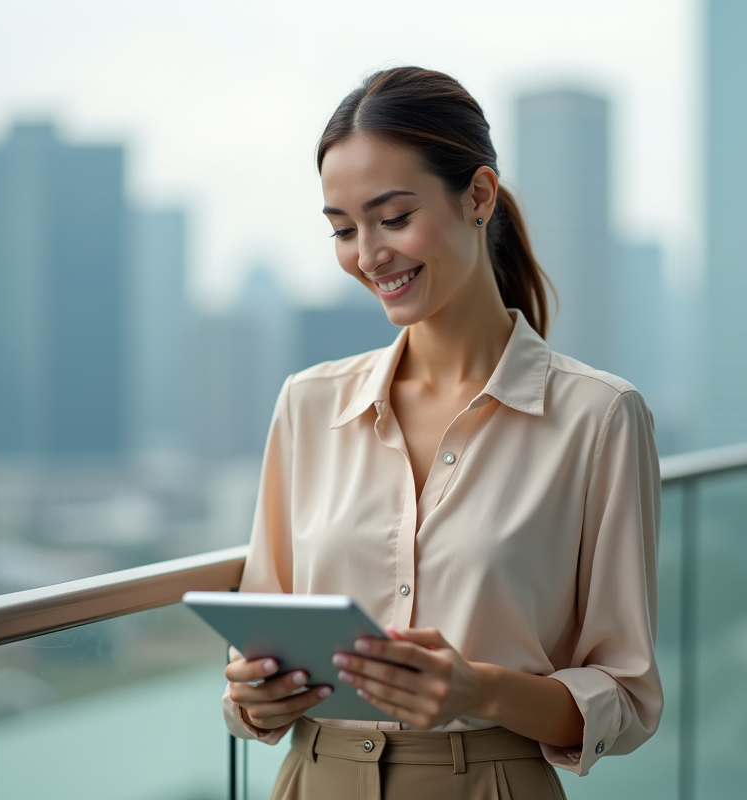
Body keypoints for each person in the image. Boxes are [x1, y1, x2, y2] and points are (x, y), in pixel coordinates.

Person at [222, 66, 662, 800]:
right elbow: (259, 654)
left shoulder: (599, 419)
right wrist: (253, 697)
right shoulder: (308, 406)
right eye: (342, 229)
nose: (368, 255)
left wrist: (477, 690)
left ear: (479, 196)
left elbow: (628, 698)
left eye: (393, 218)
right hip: (314, 777)